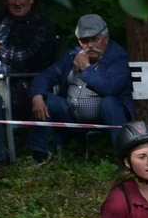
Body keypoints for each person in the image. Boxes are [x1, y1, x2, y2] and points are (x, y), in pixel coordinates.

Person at [0, 0, 58, 168]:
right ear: (5, 0)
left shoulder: (40, 25)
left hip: (15, 84)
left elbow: (22, 58)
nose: (17, 2)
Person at [30, 14, 133, 151]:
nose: (90, 45)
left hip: (105, 118)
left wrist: (86, 68)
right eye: (85, 41)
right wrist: (37, 95)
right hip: (72, 115)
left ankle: (124, 158)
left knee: (109, 103)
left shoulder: (118, 57)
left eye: (95, 39)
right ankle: (39, 155)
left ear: (106, 38)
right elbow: (47, 75)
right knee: (46, 100)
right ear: (79, 41)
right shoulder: (74, 54)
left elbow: (110, 88)